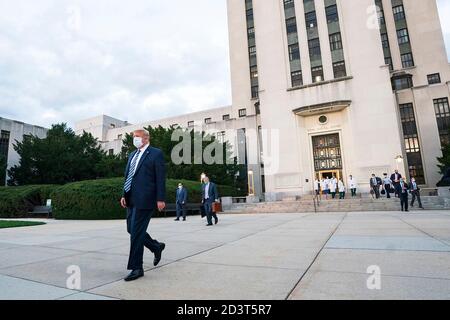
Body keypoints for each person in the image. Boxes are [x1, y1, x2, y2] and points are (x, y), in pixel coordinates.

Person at [120, 129, 166, 282]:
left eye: (137, 137)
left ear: (146, 138)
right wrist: (123, 195)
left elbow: (160, 178)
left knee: (136, 233)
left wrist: (160, 199)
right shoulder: (132, 155)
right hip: (131, 199)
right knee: (131, 230)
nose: (134, 139)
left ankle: (137, 268)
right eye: (134, 137)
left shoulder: (155, 153)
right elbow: (128, 176)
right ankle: (155, 246)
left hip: (145, 199)